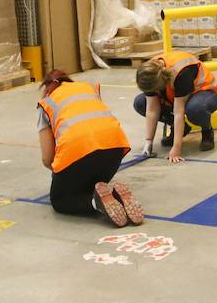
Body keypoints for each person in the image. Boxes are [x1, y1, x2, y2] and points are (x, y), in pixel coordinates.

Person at [37, 69, 141, 227]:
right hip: (113, 152)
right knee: (91, 182)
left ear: (47, 88)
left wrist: (58, 176)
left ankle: (94, 202)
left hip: (79, 153)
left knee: (61, 201)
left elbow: (47, 158)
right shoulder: (88, 89)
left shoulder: (47, 103)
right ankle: (116, 197)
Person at [133, 50, 217, 162]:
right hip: (177, 94)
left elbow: (179, 112)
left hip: (206, 92)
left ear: (161, 84)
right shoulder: (148, 74)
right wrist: (148, 142)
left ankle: (207, 131)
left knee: (195, 109)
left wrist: (176, 148)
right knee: (141, 103)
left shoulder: (182, 72)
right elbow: (151, 109)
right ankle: (182, 128)